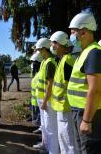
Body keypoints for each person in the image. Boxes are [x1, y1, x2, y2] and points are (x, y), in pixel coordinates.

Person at [67, 12, 101, 154]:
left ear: (84, 32)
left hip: (87, 114)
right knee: (81, 150)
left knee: (88, 150)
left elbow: (96, 89)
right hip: (78, 111)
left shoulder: (93, 53)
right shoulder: (84, 52)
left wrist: (86, 120)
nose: (71, 35)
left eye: (73, 31)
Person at [50, 31, 76, 154]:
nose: (52, 46)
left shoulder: (67, 61)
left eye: (53, 43)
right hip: (61, 107)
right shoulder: (62, 60)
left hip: (67, 108)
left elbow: (73, 86)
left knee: (69, 141)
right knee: (63, 139)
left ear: (60, 44)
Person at [33, 38, 59, 154]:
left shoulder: (50, 63)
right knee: (44, 125)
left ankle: (52, 150)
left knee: (50, 127)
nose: (38, 52)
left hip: (47, 100)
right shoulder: (44, 62)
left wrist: (44, 101)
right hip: (42, 98)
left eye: (39, 50)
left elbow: (50, 84)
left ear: (44, 49)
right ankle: (45, 146)